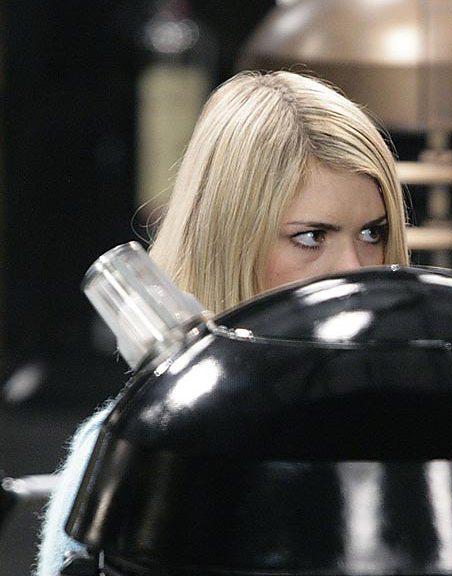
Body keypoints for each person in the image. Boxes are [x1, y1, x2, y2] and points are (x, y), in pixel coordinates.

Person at [35, 69, 409, 576]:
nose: (354, 270)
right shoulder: (135, 446)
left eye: (372, 233)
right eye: (310, 237)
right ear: (232, 240)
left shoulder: (429, 429)